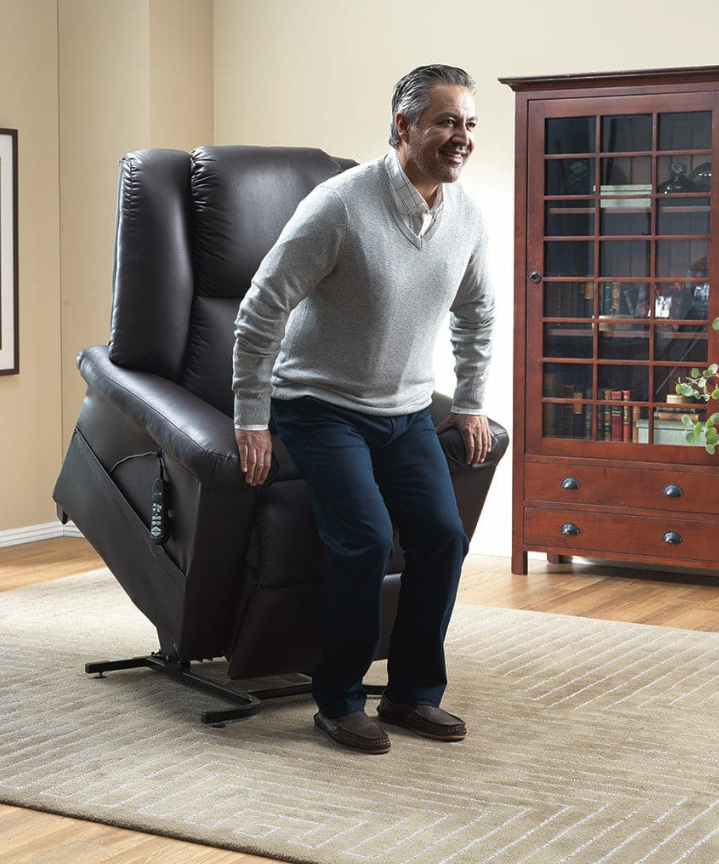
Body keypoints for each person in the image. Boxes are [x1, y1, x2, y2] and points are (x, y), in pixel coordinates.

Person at [231, 64, 495, 754]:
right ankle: (340, 700)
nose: (461, 136)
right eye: (445, 121)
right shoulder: (339, 205)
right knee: (367, 539)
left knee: (442, 536)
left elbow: (477, 313)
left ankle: (412, 693)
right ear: (403, 126)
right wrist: (251, 416)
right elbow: (262, 307)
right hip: (319, 405)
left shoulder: (466, 215)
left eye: (469, 123)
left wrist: (469, 402)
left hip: (406, 411)